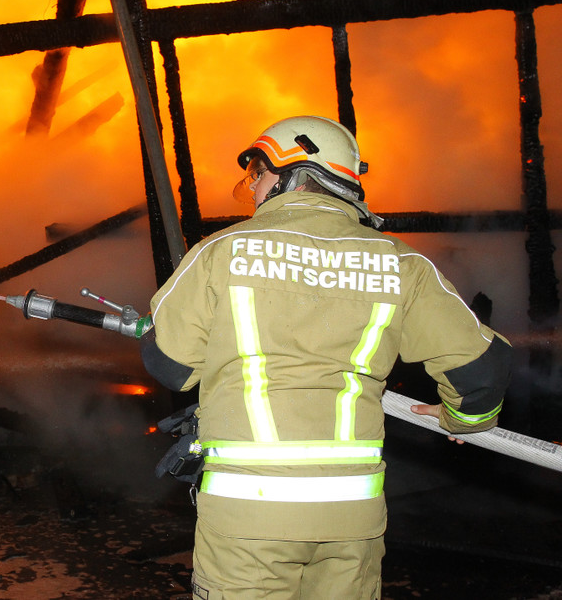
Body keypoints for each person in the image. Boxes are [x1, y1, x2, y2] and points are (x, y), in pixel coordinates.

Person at [140, 115, 512, 600]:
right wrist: (463, 420)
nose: (252, 187)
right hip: (352, 518)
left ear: (292, 172)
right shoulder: (402, 263)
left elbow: (170, 366)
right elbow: (482, 370)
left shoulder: (222, 251)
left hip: (248, 514)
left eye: (258, 174)